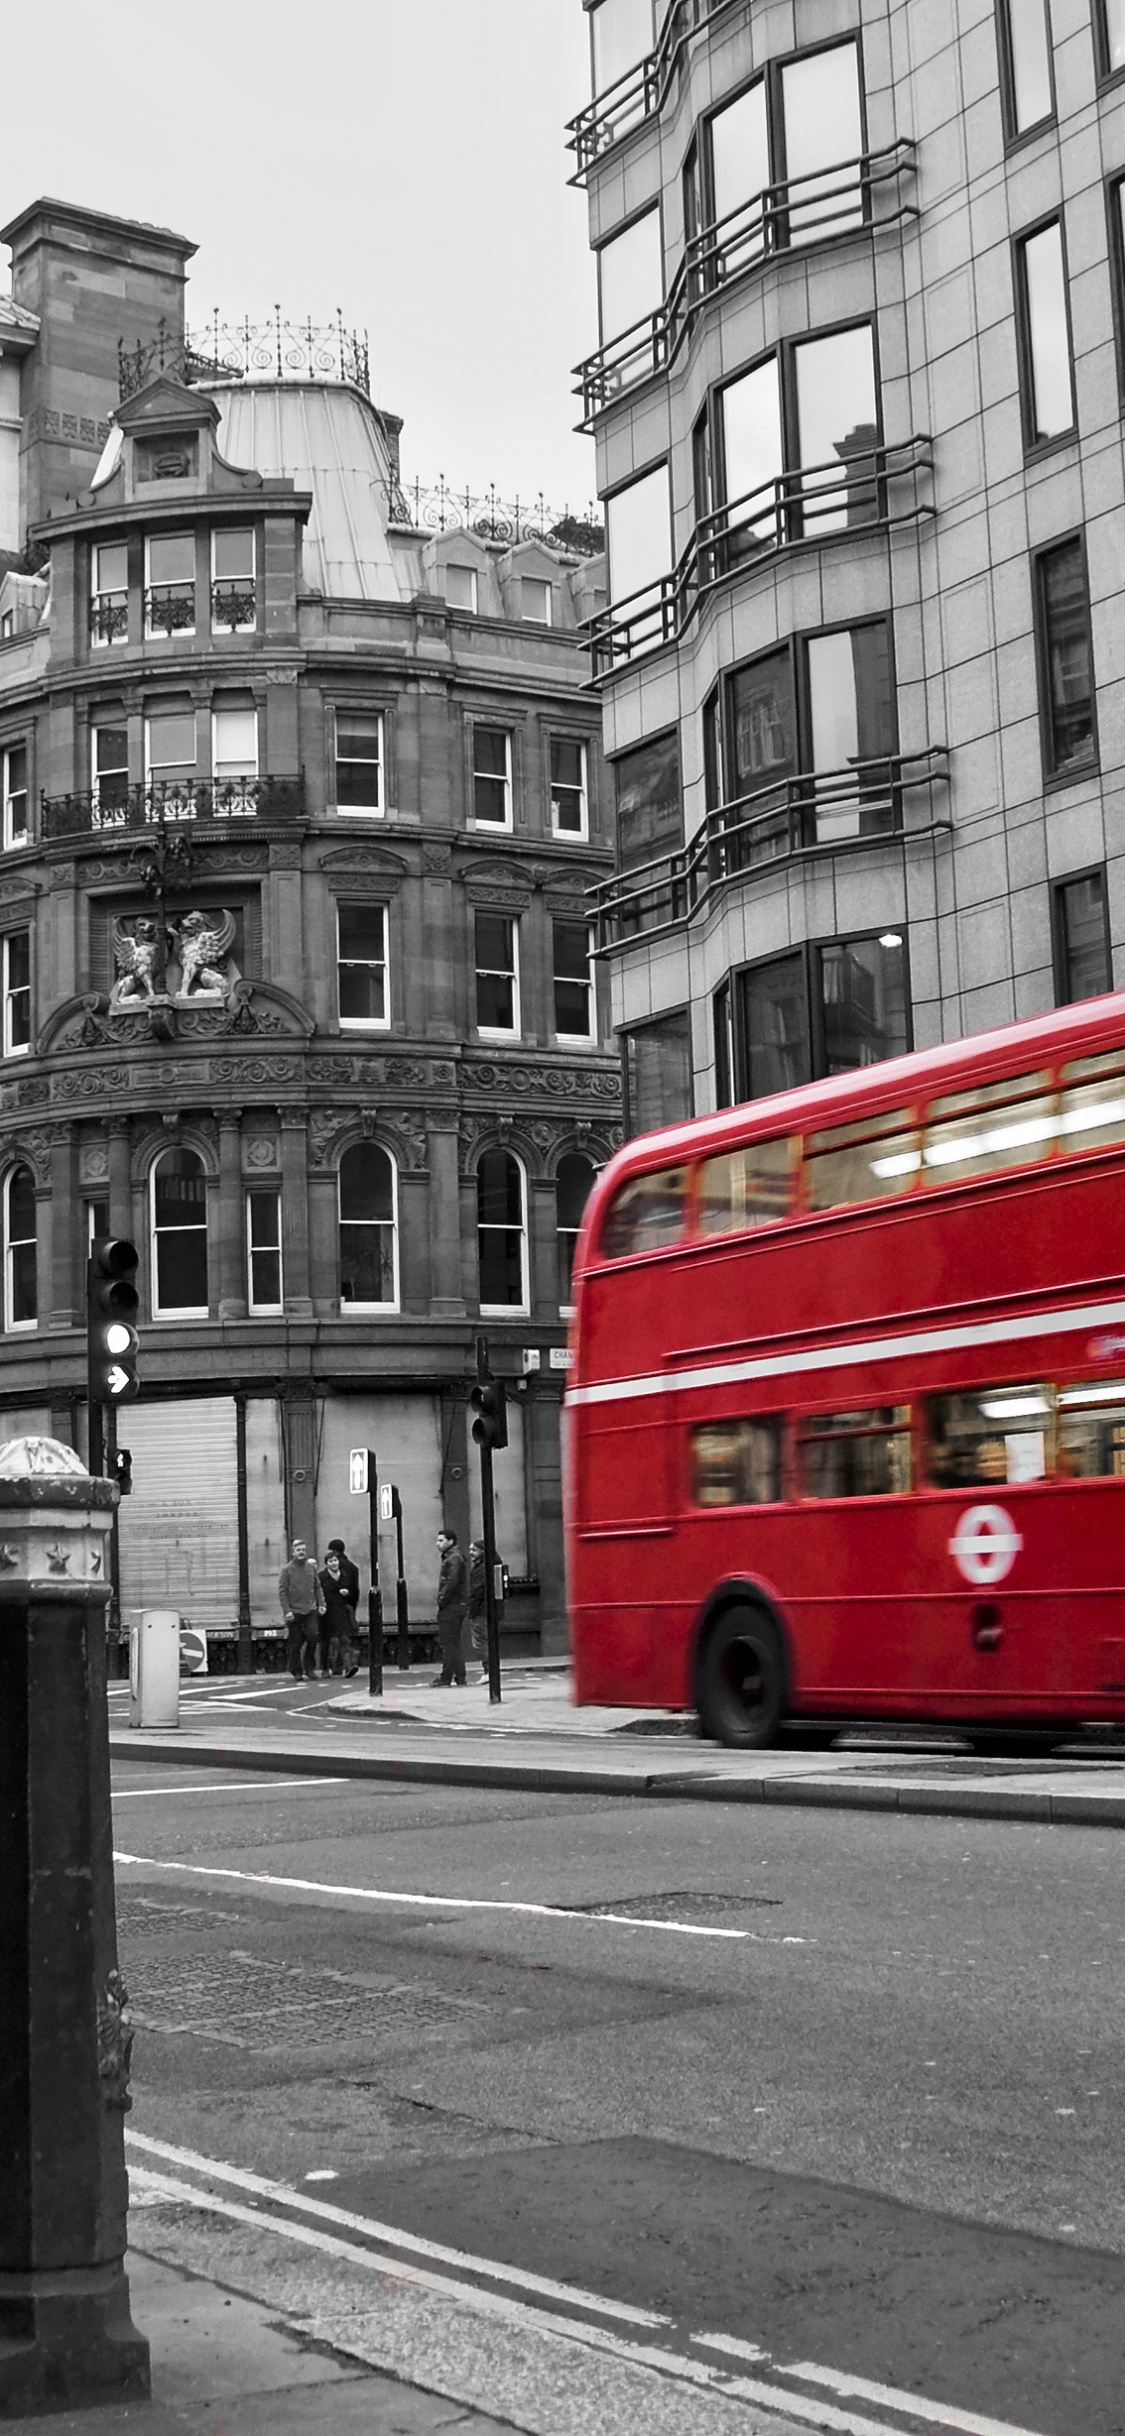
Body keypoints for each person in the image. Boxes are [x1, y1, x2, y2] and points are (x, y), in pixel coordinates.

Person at [279, 1537, 324, 1681]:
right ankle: (296, 1670)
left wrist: (321, 1604)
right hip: (294, 1612)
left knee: (313, 1636)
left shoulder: (311, 1568)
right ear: (293, 1552)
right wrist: (287, 1611)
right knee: (295, 1642)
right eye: (298, 1550)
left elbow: (317, 1587)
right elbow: (282, 1591)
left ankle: (309, 1668)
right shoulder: (287, 1570)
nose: (301, 1553)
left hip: (310, 1609)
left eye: (303, 1550)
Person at [433, 1527, 467, 1687]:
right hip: (457, 1604)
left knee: (448, 1643)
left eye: (441, 1540)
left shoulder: (453, 1558)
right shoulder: (455, 1557)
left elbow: (450, 1583)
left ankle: (446, 1677)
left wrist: (441, 1600)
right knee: (455, 1642)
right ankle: (460, 1677)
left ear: (450, 1541)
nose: (437, 1544)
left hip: (451, 1605)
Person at [318, 1549, 359, 1677]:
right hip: (327, 1612)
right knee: (326, 1641)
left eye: (335, 1560)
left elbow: (354, 1594)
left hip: (342, 1611)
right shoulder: (321, 1577)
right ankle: (325, 1668)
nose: (334, 1563)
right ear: (326, 1563)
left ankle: (348, 1667)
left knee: (344, 1639)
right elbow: (318, 1593)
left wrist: (348, 1594)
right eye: (331, 1561)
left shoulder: (345, 1576)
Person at [468, 1537, 488, 1683]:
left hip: (481, 1611)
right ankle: (489, 1669)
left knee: (480, 1641)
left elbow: (477, 1591)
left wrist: (472, 1610)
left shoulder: (482, 1568)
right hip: (484, 1610)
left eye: (474, 1550)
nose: (471, 1553)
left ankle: (488, 1670)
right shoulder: (481, 1566)